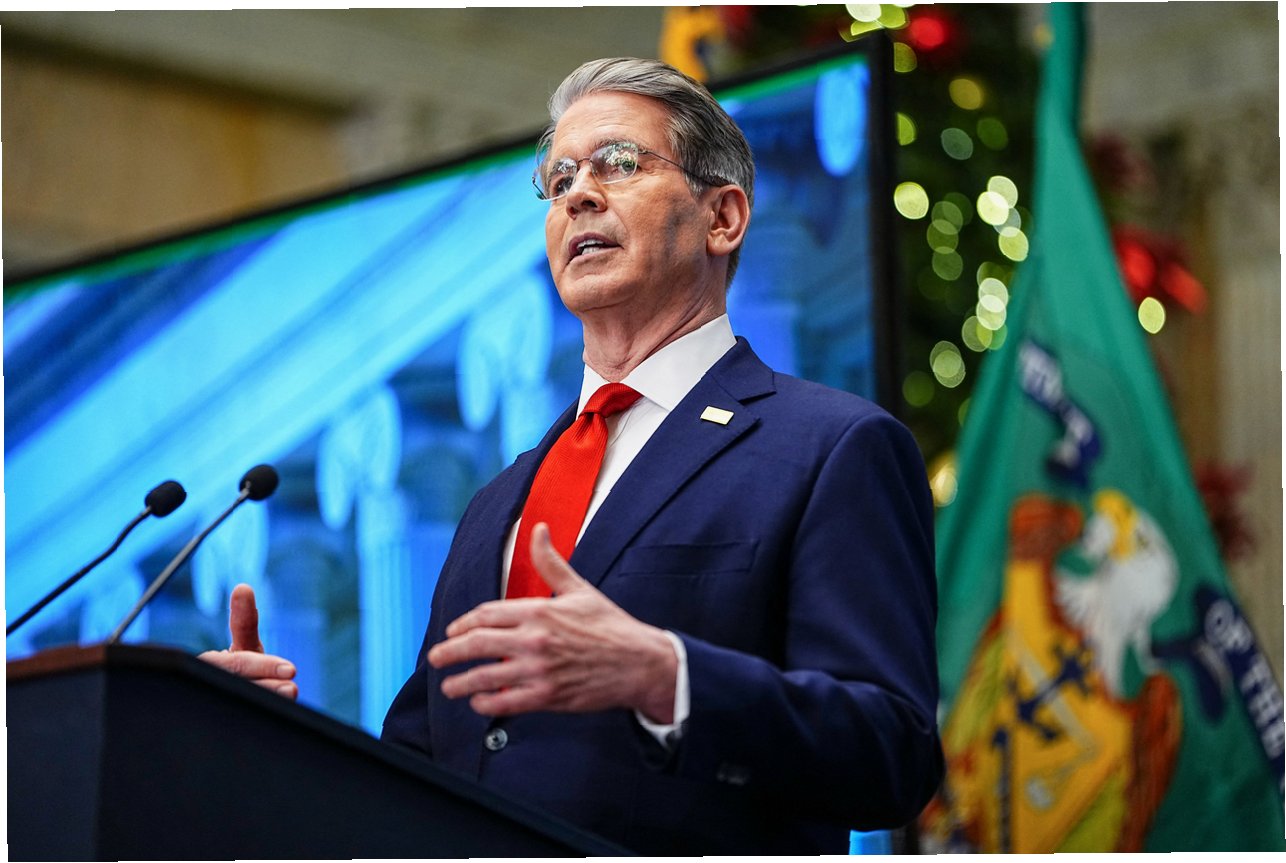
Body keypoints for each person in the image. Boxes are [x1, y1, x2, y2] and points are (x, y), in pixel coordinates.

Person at [203, 57, 943, 855]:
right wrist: (271, 745)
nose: (578, 194)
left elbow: (891, 750)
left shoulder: (829, 446)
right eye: (559, 180)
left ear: (723, 217)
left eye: (619, 164)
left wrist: (667, 674)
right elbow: (419, 780)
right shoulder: (495, 504)